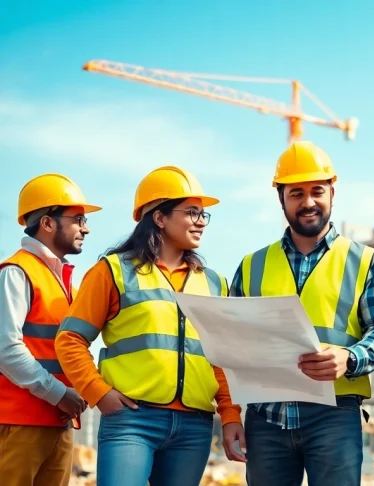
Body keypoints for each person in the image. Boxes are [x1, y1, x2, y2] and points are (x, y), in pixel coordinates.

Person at [55, 166, 245, 486]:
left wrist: (230, 415)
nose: (201, 220)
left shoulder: (215, 283)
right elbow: (70, 339)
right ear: (159, 217)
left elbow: (222, 359)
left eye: (204, 214)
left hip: (194, 426)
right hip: (132, 421)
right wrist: (99, 392)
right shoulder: (113, 271)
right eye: (192, 212)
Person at [229, 141, 374, 486]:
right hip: (266, 419)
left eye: (317, 191)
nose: (308, 202)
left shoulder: (363, 260)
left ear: (332, 193)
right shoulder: (251, 265)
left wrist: (349, 357)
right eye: (296, 193)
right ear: (281, 198)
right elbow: (231, 342)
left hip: (334, 416)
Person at [0, 173, 100, 486]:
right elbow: (6, 348)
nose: (86, 227)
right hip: (19, 424)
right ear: (47, 222)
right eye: (78, 219)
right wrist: (59, 395)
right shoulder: (17, 272)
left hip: (58, 422)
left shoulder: (62, 280)